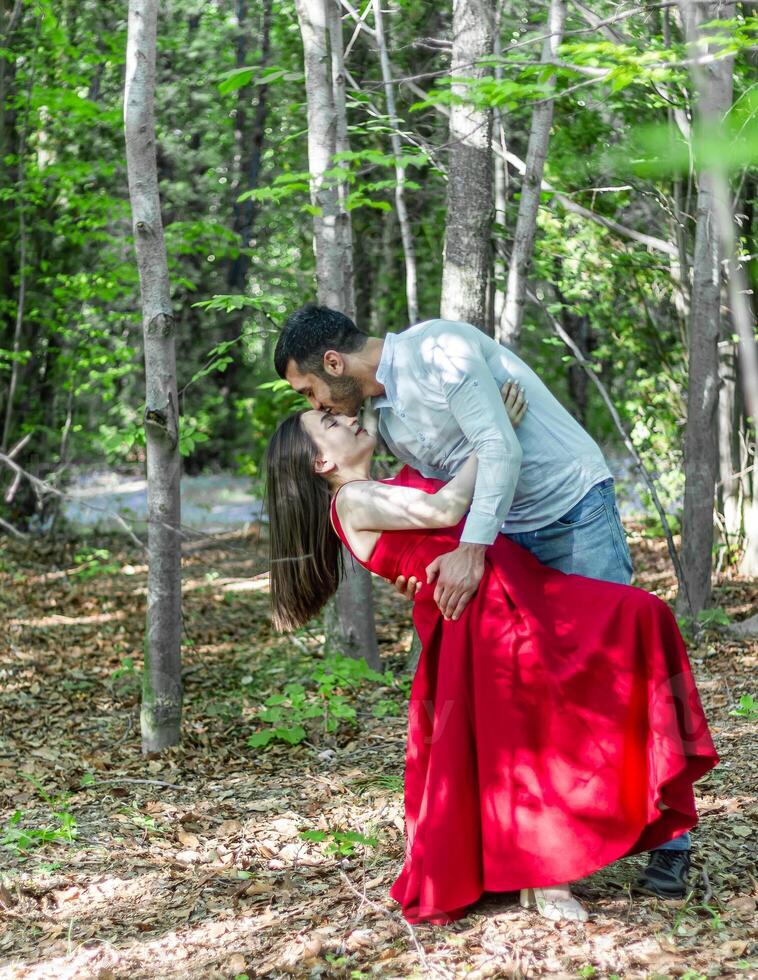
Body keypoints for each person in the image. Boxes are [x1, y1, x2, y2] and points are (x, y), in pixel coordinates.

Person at [273, 304, 696, 898]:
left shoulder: (439, 352)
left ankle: (663, 838)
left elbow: (486, 466)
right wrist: (428, 558)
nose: (317, 404)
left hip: (566, 509)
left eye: (309, 388)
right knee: (537, 711)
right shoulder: (382, 426)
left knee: (615, 664)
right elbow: (445, 502)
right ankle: (541, 860)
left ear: (335, 363)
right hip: (495, 569)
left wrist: (459, 542)